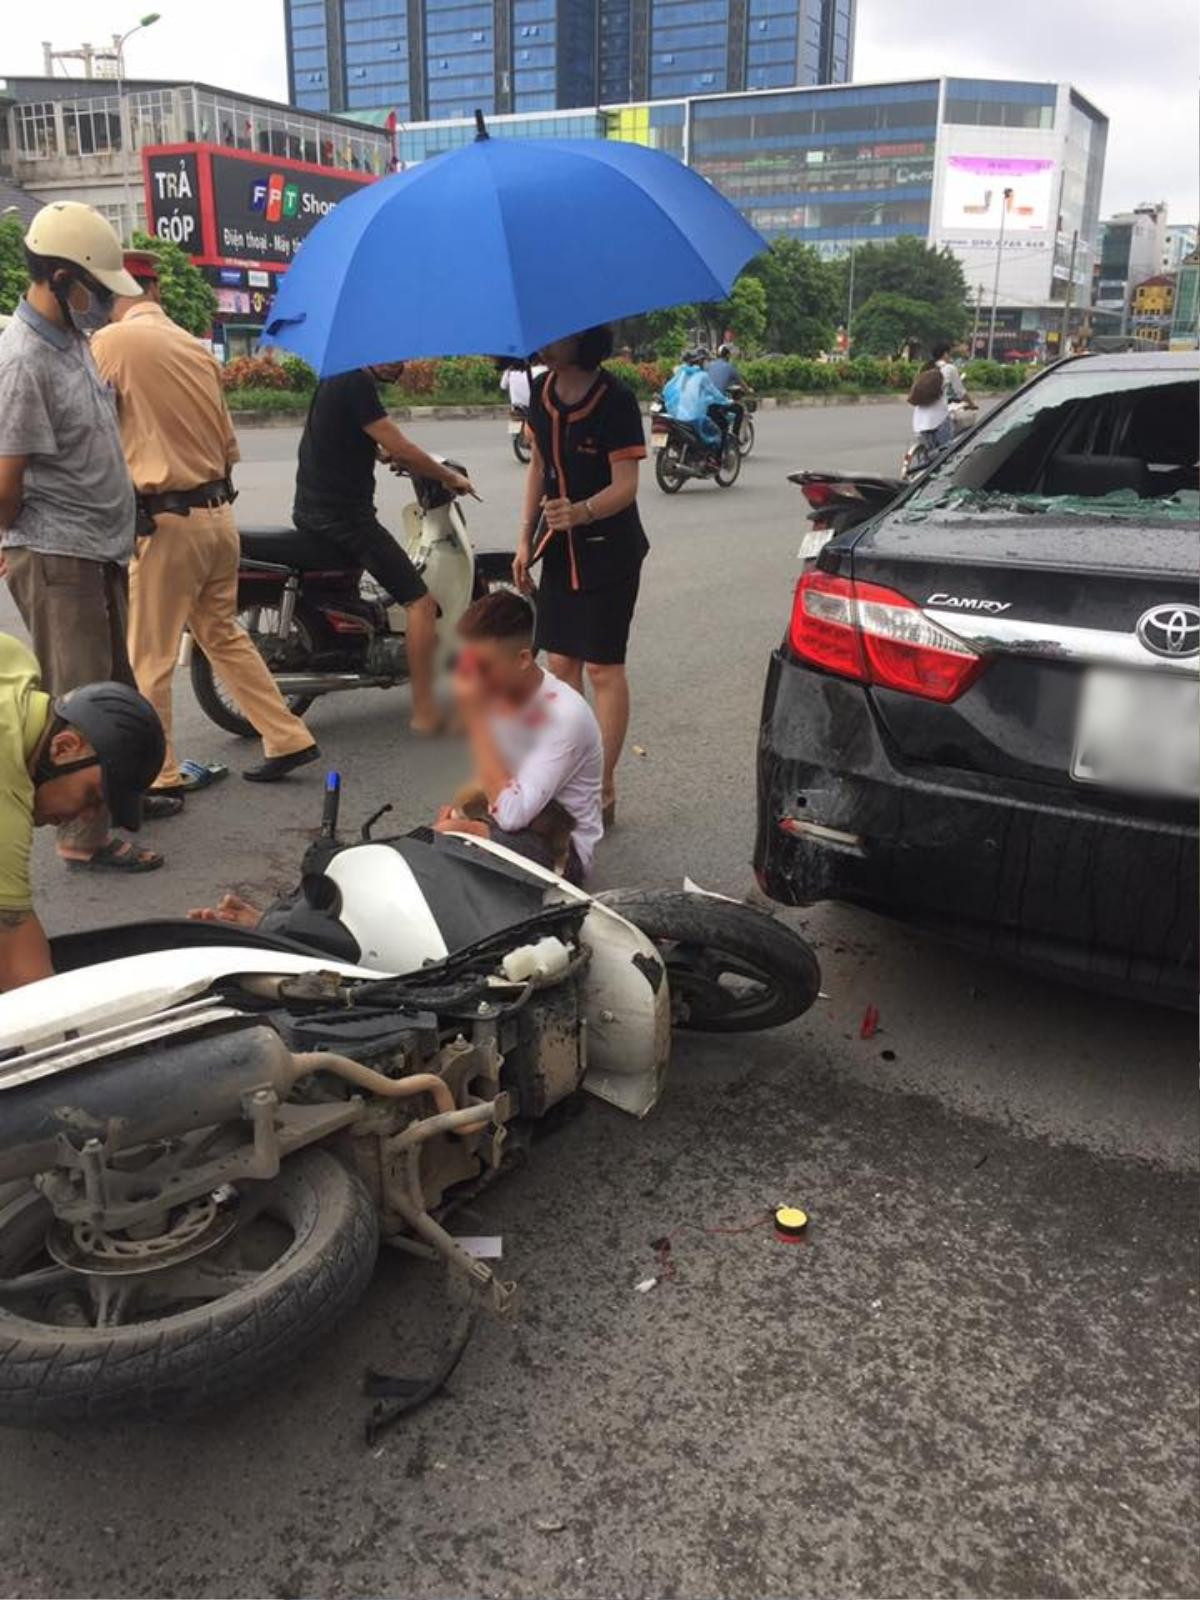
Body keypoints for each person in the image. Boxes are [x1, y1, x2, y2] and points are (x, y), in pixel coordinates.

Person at [91, 252, 319, 788]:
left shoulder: (111, 345)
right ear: (156, 290)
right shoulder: (195, 349)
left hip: (166, 522)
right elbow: (228, 447)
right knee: (222, 635)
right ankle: (286, 734)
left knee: (149, 655)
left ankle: (159, 772)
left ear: (114, 289)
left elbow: (84, 427)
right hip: (217, 519)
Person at [0, 200, 166, 874]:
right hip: (57, 551)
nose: (102, 302)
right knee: (82, 699)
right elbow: (7, 477)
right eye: (95, 288)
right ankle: (84, 836)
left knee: (113, 686)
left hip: (96, 546)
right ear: (61, 278)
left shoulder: (69, 343)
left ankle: (116, 792)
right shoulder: (22, 362)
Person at [292, 363, 475, 734]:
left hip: (311, 511)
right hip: (344, 518)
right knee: (420, 604)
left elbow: (348, 433)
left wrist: (381, 453)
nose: (400, 364)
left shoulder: (335, 373)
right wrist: (450, 477)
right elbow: (400, 442)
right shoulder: (356, 380)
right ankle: (425, 711)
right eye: (393, 356)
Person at [513, 325, 647, 826]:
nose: (548, 341)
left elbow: (627, 485)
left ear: (585, 340)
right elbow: (538, 468)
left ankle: (602, 786)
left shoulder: (616, 399)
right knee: (561, 666)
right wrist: (525, 537)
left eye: (560, 333)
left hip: (610, 552)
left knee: (602, 669)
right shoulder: (542, 393)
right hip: (558, 549)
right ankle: (565, 773)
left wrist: (584, 512)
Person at [0, 631, 165, 990]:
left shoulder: (15, 663)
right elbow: (20, 971)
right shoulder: (4, 792)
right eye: (92, 796)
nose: (88, 816)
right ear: (64, 747)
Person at [434, 590, 603, 882]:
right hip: (521, 812)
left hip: (563, 847)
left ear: (523, 658)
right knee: (440, 832)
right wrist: (460, 813)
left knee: (449, 839)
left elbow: (511, 815)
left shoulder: (564, 716)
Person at [910, 339, 978, 450]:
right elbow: (961, 392)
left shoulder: (925, 367)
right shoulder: (949, 368)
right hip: (938, 418)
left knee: (931, 450)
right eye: (949, 354)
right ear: (945, 353)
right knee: (947, 452)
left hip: (919, 419)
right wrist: (972, 404)